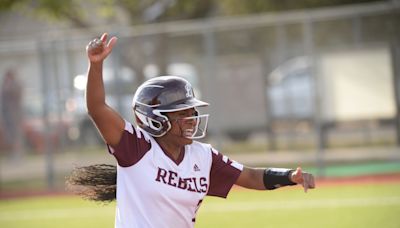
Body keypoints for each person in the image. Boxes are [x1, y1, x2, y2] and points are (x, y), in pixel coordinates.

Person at [69, 33, 315, 228]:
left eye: (191, 112)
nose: (191, 119)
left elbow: (249, 177)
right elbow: (97, 108)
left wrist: (289, 176)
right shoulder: (137, 148)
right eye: (181, 113)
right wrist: (96, 65)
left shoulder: (202, 156)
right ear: (154, 119)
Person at [1, 68, 23, 158]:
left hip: (14, 114)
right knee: (9, 135)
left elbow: (17, 95)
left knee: (15, 135)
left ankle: (17, 154)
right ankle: (13, 153)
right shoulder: (5, 85)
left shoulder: (15, 85)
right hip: (7, 115)